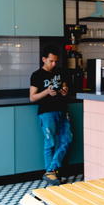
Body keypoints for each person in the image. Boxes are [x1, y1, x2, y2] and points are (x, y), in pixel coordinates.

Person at [29, 45, 72, 185]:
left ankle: (50, 171)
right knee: (51, 143)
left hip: (62, 110)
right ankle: (52, 173)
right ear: (44, 59)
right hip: (46, 113)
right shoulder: (37, 75)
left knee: (67, 139)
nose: (54, 64)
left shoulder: (60, 72)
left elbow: (65, 87)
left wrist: (64, 90)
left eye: (55, 61)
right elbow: (32, 97)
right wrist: (47, 92)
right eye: (51, 61)